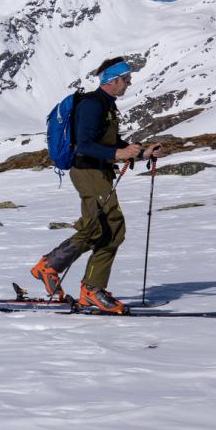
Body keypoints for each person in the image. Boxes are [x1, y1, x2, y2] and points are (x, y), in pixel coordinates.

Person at [30, 57, 162, 313]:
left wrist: (142, 153)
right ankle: (87, 287)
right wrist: (119, 154)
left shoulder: (106, 105)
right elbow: (86, 144)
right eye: (126, 79)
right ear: (113, 80)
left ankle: (55, 269)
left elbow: (110, 141)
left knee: (101, 228)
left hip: (98, 172)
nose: (128, 84)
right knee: (111, 228)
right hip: (87, 171)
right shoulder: (93, 104)